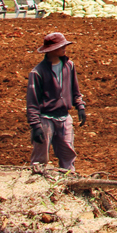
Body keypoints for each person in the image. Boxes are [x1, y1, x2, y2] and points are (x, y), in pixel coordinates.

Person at [26, 31, 86, 173]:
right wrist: (35, 126)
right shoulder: (37, 73)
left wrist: (80, 106)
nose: (64, 48)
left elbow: (75, 90)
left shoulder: (69, 66)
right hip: (45, 118)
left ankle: (69, 181)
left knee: (68, 154)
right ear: (51, 50)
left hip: (64, 116)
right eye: (61, 46)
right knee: (40, 157)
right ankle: (37, 185)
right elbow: (32, 102)